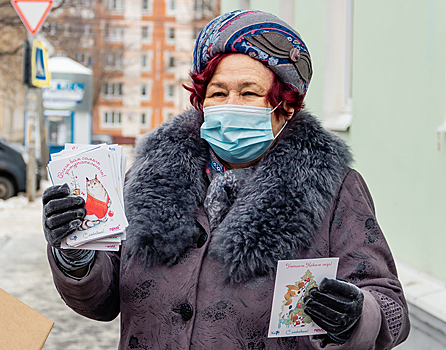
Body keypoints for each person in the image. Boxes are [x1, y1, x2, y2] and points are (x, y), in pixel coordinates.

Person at [42, 10, 410, 349]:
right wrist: (76, 253)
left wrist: (356, 316)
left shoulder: (333, 187)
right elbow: (103, 301)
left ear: (285, 106)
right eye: (218, 93)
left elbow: (389, 304)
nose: (230, 103)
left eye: (248, 92)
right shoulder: (146, 178)